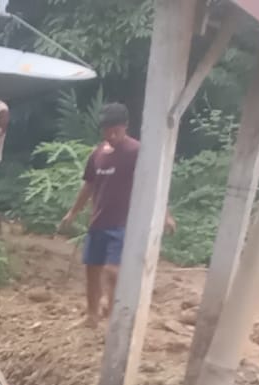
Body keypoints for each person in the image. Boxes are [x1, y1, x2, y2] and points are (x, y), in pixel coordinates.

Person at [59, 103, 175, 327]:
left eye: (116, 130)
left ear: (126, 127)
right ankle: (92, 315)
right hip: (98, 222)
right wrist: (72, 212)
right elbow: (89, 186)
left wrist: (165, 214)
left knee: (113, 272)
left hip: (123, 224)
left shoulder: (136, 151)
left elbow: (153, 183)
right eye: (107, 130)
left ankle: (113, 317)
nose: (111, 135)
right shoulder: (97, 154)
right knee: (92, 271)